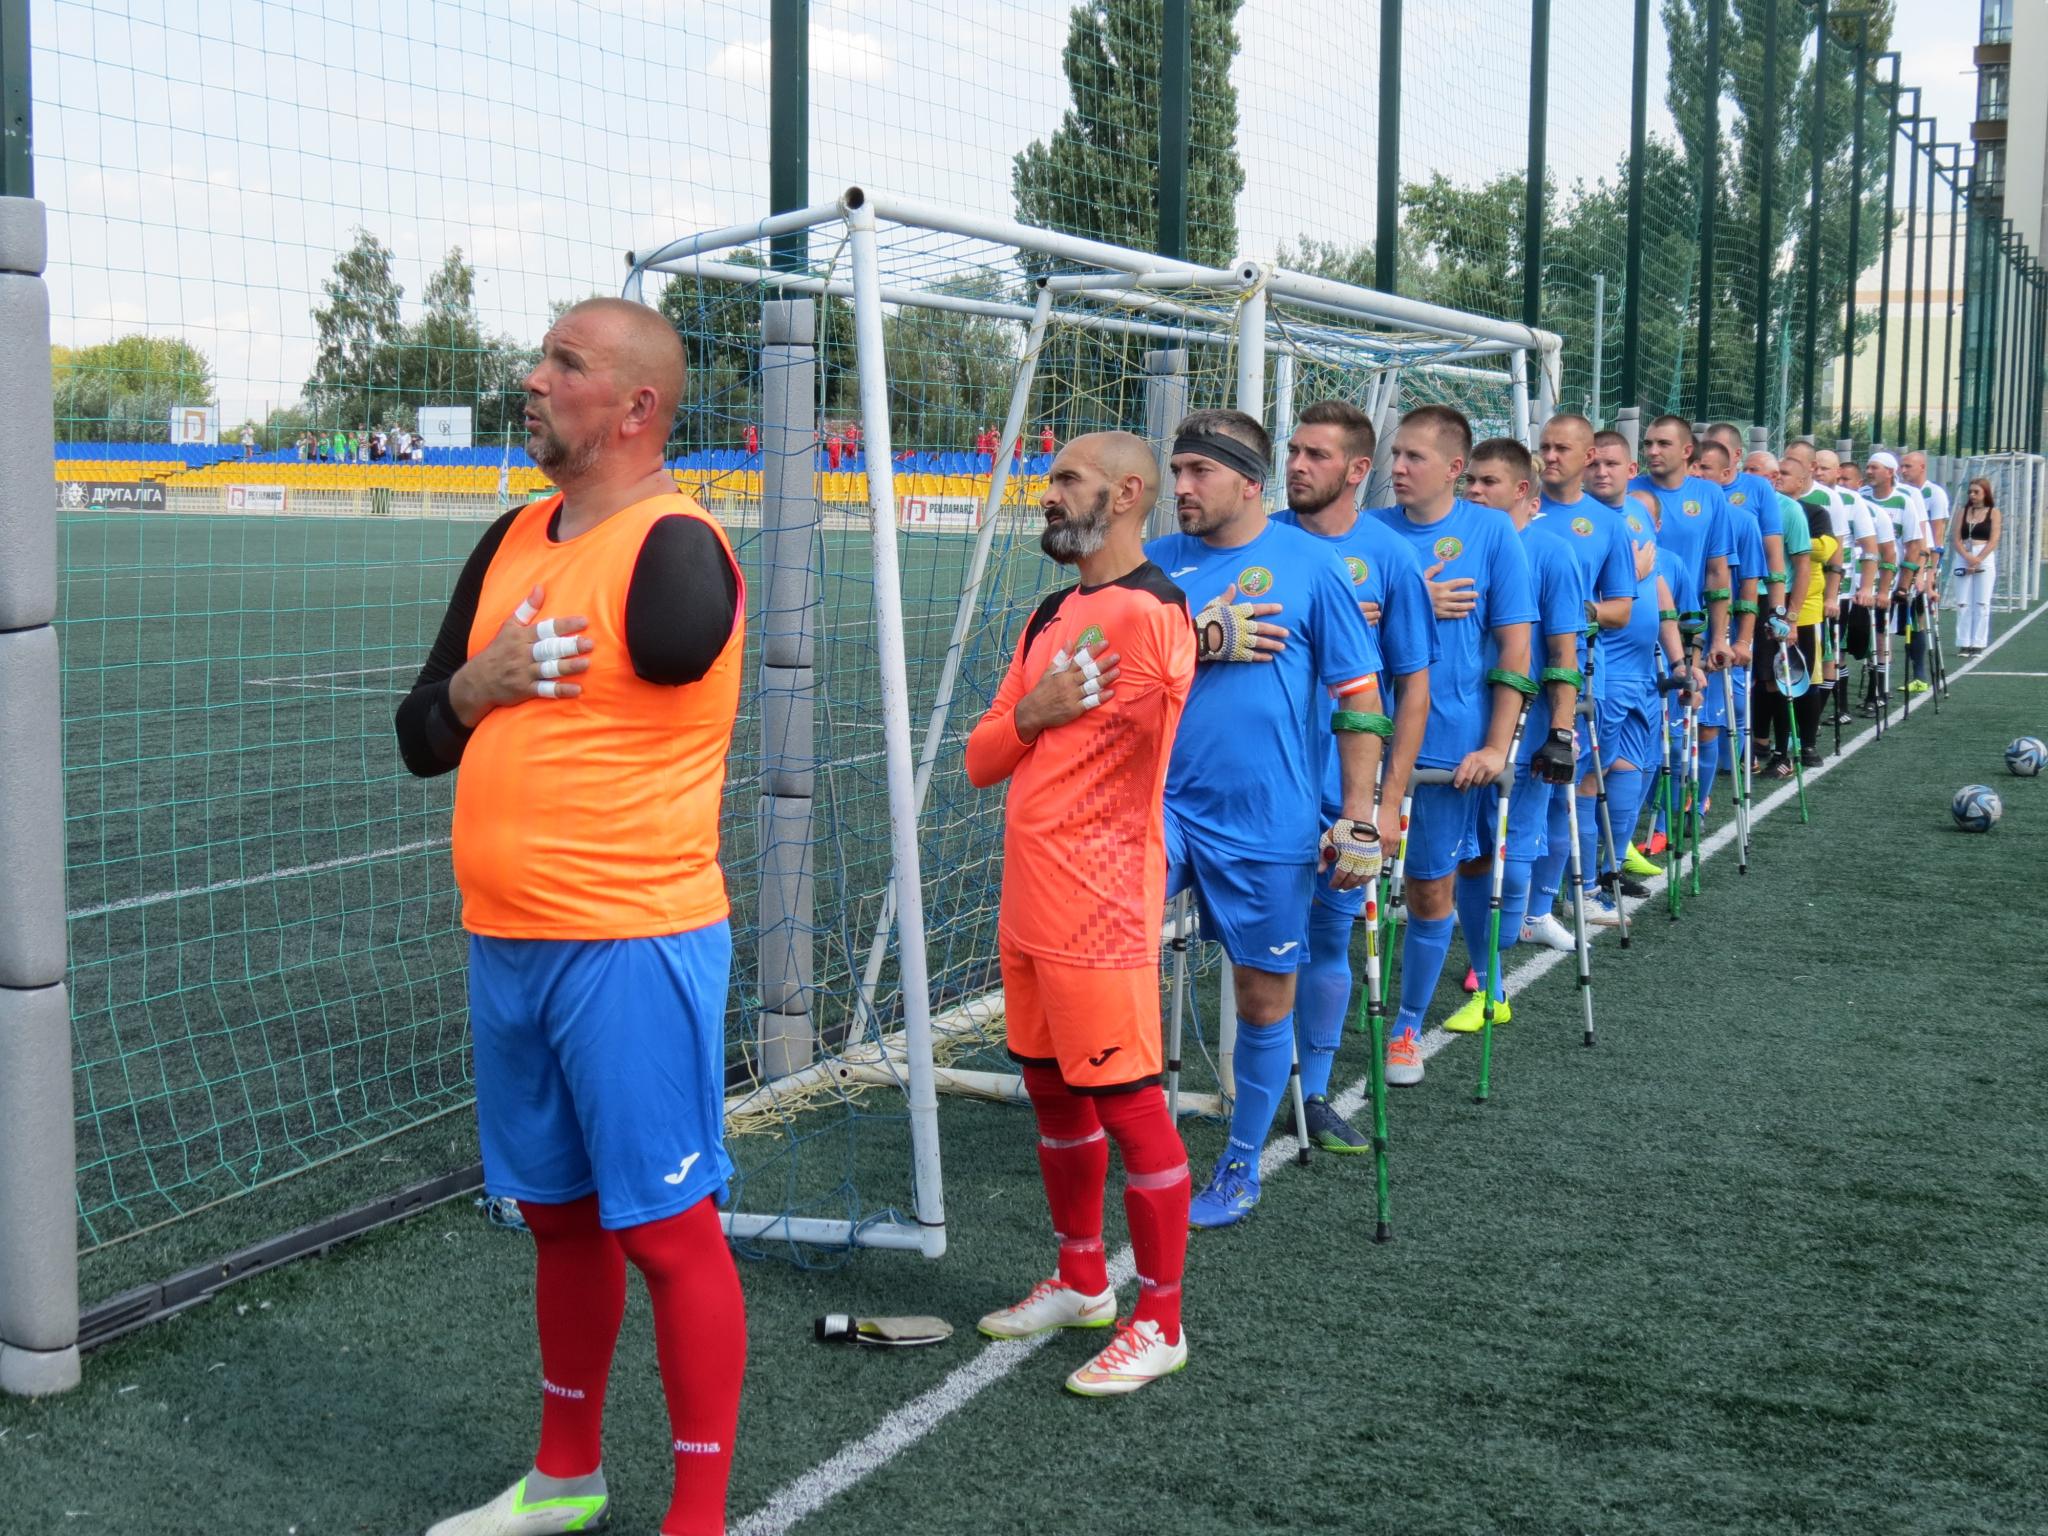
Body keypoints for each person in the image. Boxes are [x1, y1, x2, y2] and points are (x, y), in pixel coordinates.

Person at [398, 297, 747, 1536]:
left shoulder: (674, 544)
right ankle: (564, 1478)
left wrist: (495, 687)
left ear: (637, 408)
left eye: (565, 363)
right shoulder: (506, 537)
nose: (532, 377)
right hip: (505, 938)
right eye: (540, 355)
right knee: (556, 1219)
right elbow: (418, 736)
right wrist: (479, 686)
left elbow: (679, 642)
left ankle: (695, 1517)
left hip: (629, 939)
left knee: (662, 1228)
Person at [965, 431, 1197, 1395]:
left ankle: (1162, 1321)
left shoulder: (1153, 613)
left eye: (1067, 479)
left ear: (1129, 492)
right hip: (1029, 902)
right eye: (1050, 477)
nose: (1046, 494)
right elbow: (983, 757)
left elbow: (1144, 728)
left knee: (1132, 1107)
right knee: (1053, 1097)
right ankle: (1082, 1280)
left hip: (1100, 904)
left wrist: (1048, 713)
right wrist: (1032, 712)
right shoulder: (1050, 611)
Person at [1144, 407, 1387, 1224]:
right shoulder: (1152, 566)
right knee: (1113, 938)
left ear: (1246, 482)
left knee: (1260, 997)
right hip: (1160, 802)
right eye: (1175, 471)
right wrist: (1193, 635)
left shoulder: (1313, 569)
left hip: (1266, 817)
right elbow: (1101, 657)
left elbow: (1360, 699)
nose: (1180, 487)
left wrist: (1359, 814)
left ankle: (1241, 1165)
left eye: (1197, 472)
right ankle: (1125, 1115)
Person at [1272, 400, 1435, 1147]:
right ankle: (1252, 1081)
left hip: (1346, 793)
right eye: (1294, 451)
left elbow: (1411, 688)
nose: (1297, 465)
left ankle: (1316, 1092)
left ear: (1356, 471)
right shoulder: (1260, 541)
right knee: (1263, 948)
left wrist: (1387, 799)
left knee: (1330, 940)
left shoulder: (1391, 557)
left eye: (1316, 455)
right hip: (1267, 787)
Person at [1368, 406, 1535, 1085]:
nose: (1397, 468)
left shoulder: (1492, 531)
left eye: (1412, 457)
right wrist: (1408, 600)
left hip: (1447, 746)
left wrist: (1497, 747)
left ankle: (1407, 1027)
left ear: (1454, 468)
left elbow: (1516, 646)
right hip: (1356, 738)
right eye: (1394, 456)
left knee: (1427, 887)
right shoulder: (1370, 531)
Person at [1445, 438, 1582, 1030]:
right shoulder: (1457, 544)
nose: (1474, 491)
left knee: (1512, 842)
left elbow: (1562, 649)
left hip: (1522, 725)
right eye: (1469, 481)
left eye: (1488, 483)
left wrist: (1561, 729)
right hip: (1454, 721)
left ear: (1522, 491)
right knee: (1466, 851)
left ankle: (1491, 976)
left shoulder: (1550, 553)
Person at [1520, 413, 1639, 944]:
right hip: (1514, 669)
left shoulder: (1608, 523)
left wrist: (1572, 608)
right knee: (1510, 787)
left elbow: (1620, 609)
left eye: (1561, 448)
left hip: (1581, 673)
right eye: (1543, 446)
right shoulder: (1516, 510)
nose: (1549, 456)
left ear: (1587, 456)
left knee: (1564, 789)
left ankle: (1540, 910)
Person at [1628, 417, 1733, 850]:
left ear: (1687, 450)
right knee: (1648, 733)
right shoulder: (1632, 490)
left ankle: (1679, 814)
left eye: (1663, 443)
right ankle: (1640, 826)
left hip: (1688, 625)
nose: (1653, 451)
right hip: (1635, 625)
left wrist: (1722, 638)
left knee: (1692, 728)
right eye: (1648, 443)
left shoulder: (1708, 495)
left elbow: (1717, 568)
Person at [1861, 451, 1932, 694]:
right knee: (1866, 632)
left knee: (1882, 631)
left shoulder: (1905, 501)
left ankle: (1879, 688)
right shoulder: (1861, 498)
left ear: (1890, 472)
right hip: (1865, 577)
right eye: (1868, 467)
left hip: (1890, 578)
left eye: (1875, 467)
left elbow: (1914, 545)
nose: (1869, 472)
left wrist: (1906, 582)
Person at [1950, 477, 2001, 655]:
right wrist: (1967, 556)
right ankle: (1964, 642)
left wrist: (1978, 559)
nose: (1972, 495)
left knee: (1981, 602)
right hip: (1964, 554)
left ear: (1985, 493)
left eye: (1976, 492)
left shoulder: (1993, 512)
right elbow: (1955, 538)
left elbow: (1994, 539)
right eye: (1970, 492)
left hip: (1984, 556)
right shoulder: (1963, 512)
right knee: (1963, 601)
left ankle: (1978, 643)